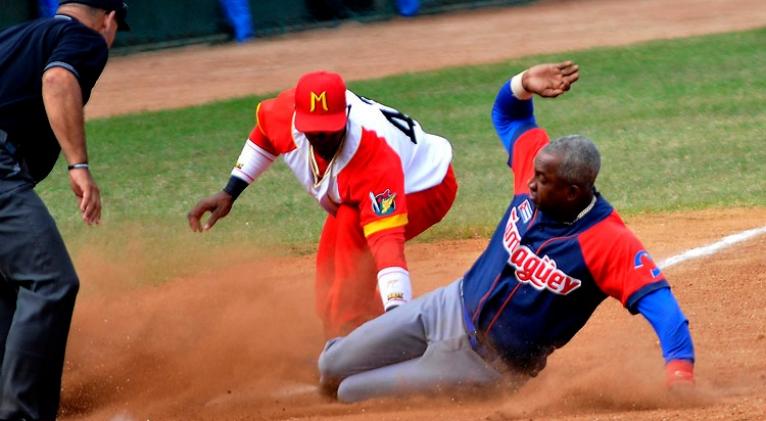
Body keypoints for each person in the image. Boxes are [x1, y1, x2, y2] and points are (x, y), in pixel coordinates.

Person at [317, 61, 696, 402]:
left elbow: (665, 311)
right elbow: (509, 116)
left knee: (352, 391)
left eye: (542, 180)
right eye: (533, 174)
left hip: (483, 367)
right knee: (333, 365)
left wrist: (680, 375)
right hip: (445, 307)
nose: (530, 184)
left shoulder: (607, 242)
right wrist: (521, 83)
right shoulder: (537, 168)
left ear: (572, 192)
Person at [187, 71, 457, 338]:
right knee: (328, 288)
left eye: (328, 130)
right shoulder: (286, 116)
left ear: (346, 116)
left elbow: (386, 243)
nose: (320, 139)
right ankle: (404, 330)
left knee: (349, 283)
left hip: (425, 185)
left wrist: (397, 310)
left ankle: (369, 336)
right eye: (313, 131)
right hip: (361, 191)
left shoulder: (373, 157)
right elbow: (266, 135)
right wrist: (230, 191)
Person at [0, 1, 128, 419]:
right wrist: (80, 166)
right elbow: (57, 80)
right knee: (51, 282)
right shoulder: (84, 38)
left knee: (9, 288)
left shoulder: (16, 37)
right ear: (108, 18)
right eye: (116, 27)